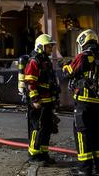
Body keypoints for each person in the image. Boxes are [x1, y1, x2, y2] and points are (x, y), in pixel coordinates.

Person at [62, 29, 99, 176]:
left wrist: (65, 65)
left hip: (83, 104)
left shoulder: (83, 56)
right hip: (98, 104)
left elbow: (68, 72)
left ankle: (85, 170)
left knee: (82, 137)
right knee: (97, 136)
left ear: (83, 42)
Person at [23, 34, 60, 165]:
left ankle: (43, 153)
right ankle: (33, 155)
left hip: (48, 102)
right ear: (41, 46)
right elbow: (30, 83)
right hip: (38, 102)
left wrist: (54, 98)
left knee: (47, 128)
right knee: (37, 129)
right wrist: (35, 100)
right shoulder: (34, 61)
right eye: (49, 46)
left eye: (51, 46)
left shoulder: (45, 61)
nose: (51, 48)